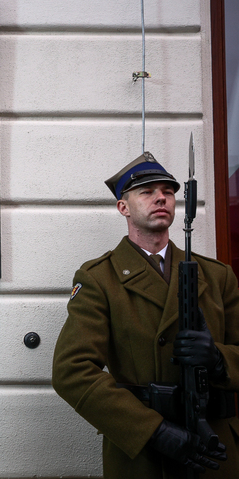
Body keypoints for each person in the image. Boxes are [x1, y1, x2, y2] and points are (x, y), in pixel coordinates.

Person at [52, 151, 239, 478]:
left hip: (214, 444)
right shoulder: (100, 278)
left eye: (167, 191)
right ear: (123, 207)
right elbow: (72, 371)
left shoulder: (217, 276)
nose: (161, 198)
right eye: (147, 191)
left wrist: (219, 359)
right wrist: (154, 432)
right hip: (145, 453)